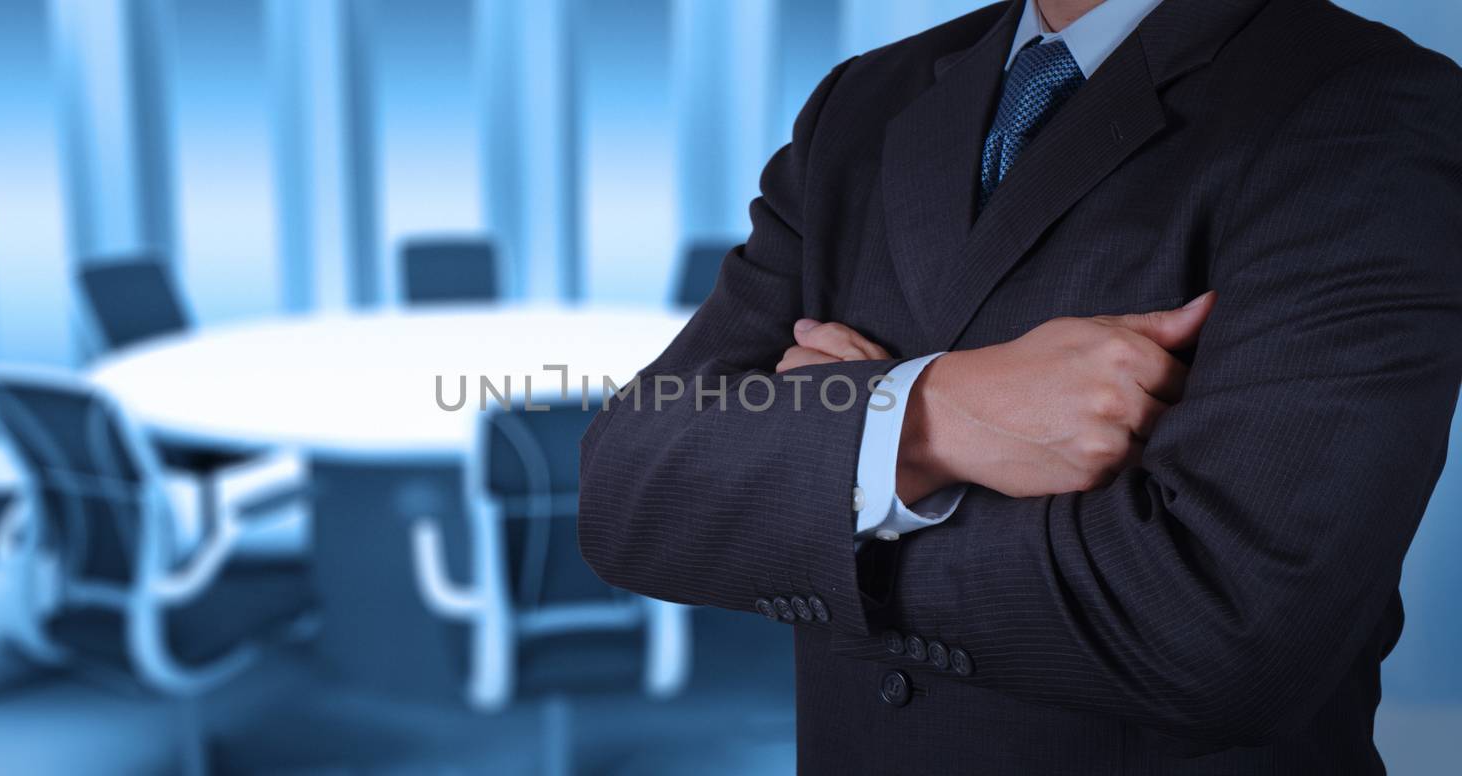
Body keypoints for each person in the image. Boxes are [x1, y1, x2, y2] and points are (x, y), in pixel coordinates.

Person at [576, 0, 1462, 772]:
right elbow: (625, 490)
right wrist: (920, 419)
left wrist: (825, 474)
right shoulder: (860, 104)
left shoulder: (1366, 103)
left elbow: (1226, 632)